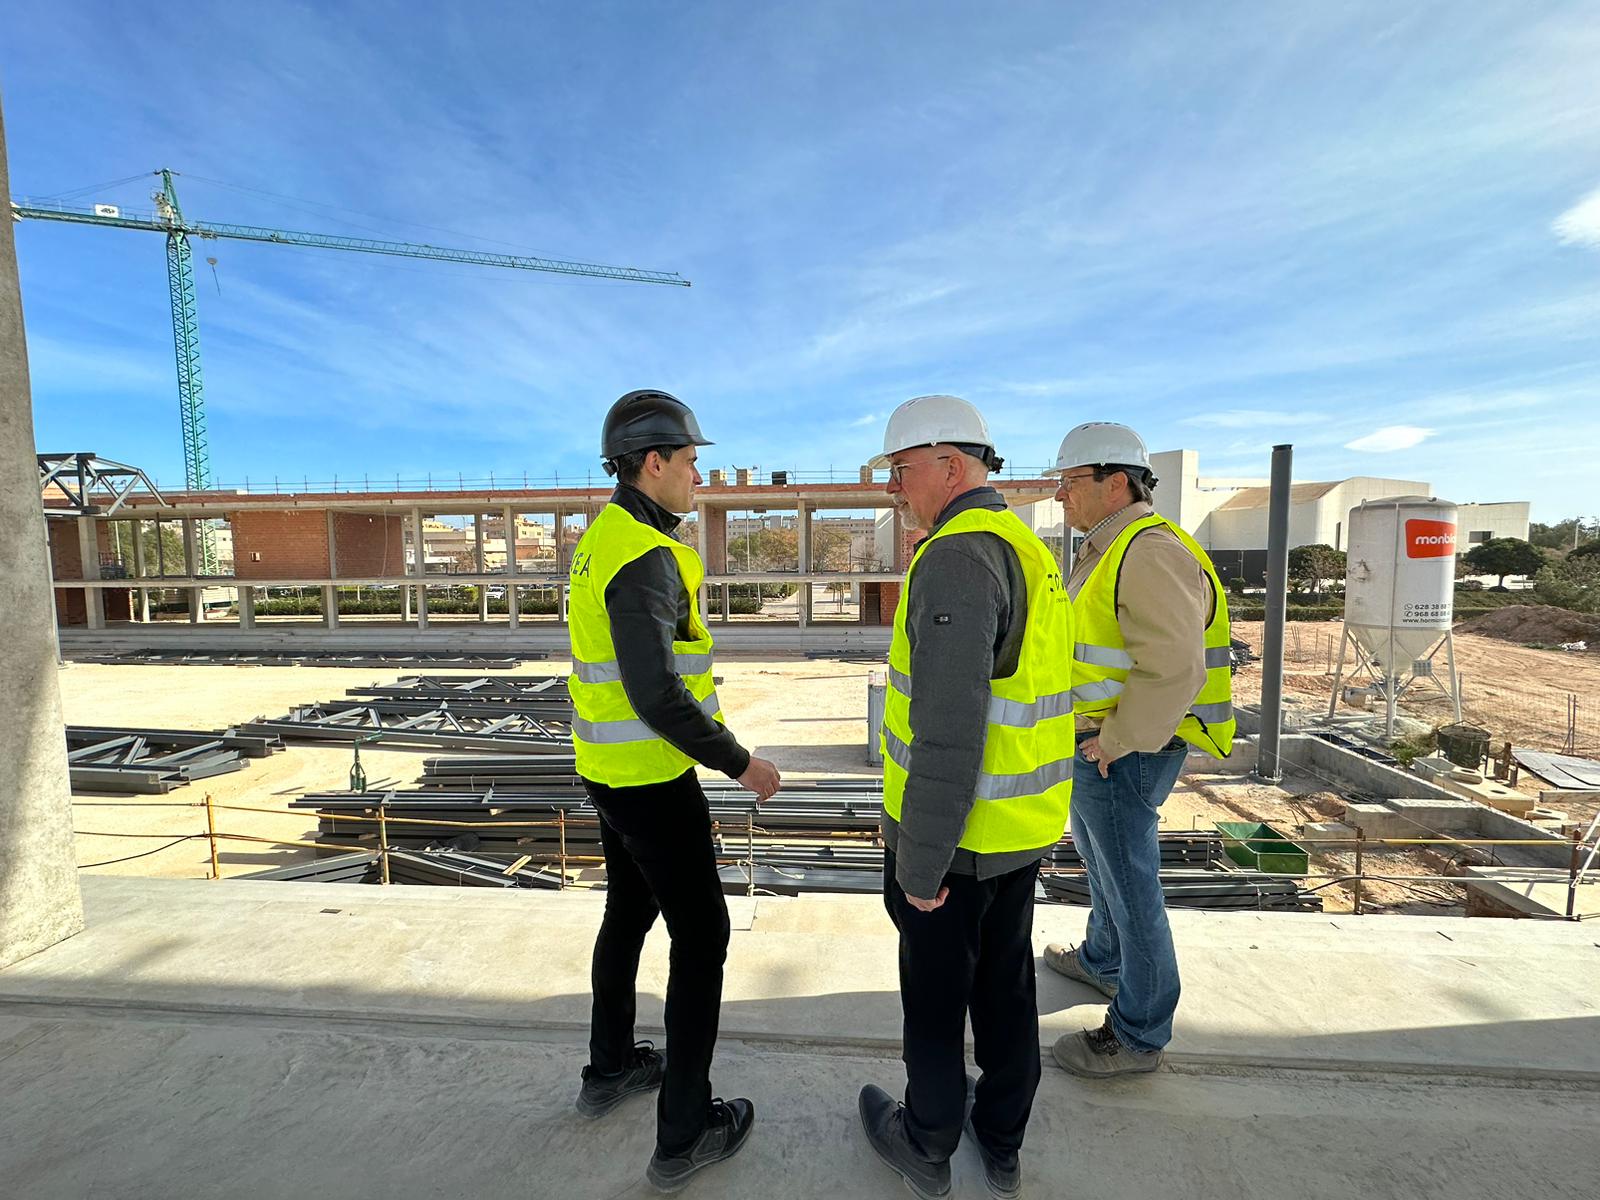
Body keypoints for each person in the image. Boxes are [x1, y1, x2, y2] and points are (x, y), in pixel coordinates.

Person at [857, 395, 1076, 1200]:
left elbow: (949, 731)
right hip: (1019, 828)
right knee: (1007, 987)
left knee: (936, 1001)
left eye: (901, 470)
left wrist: (919, 863)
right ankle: (1002, 1137)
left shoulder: (956, 556)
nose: (894, 489)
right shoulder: (1028, 547)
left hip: (959, 839)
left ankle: (927, 1138)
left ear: (951, 465)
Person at [568, 389, 781, 1192]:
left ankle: (610, 1068)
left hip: (610, 774)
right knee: (704, 940)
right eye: (691, 460)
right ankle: (684, 1134)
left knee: (627, 916)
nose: (700, 473)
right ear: (652, 463)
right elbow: (658, 693)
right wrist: (740, 762)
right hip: (653, 784)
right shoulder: (645, 555)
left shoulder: (607, 537)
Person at [1042, 422, 1234, 1078]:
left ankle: (1138, 1032)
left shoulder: (1148, 550)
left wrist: (1117, 741)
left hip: (1128, 747)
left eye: (1070, 482)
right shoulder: (1110, 547)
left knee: (1130, 883)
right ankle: (1103, 961)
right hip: (1108, 740)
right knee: (1101, 861)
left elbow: (1174, 667)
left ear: (1115, 481)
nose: (1060, 494)